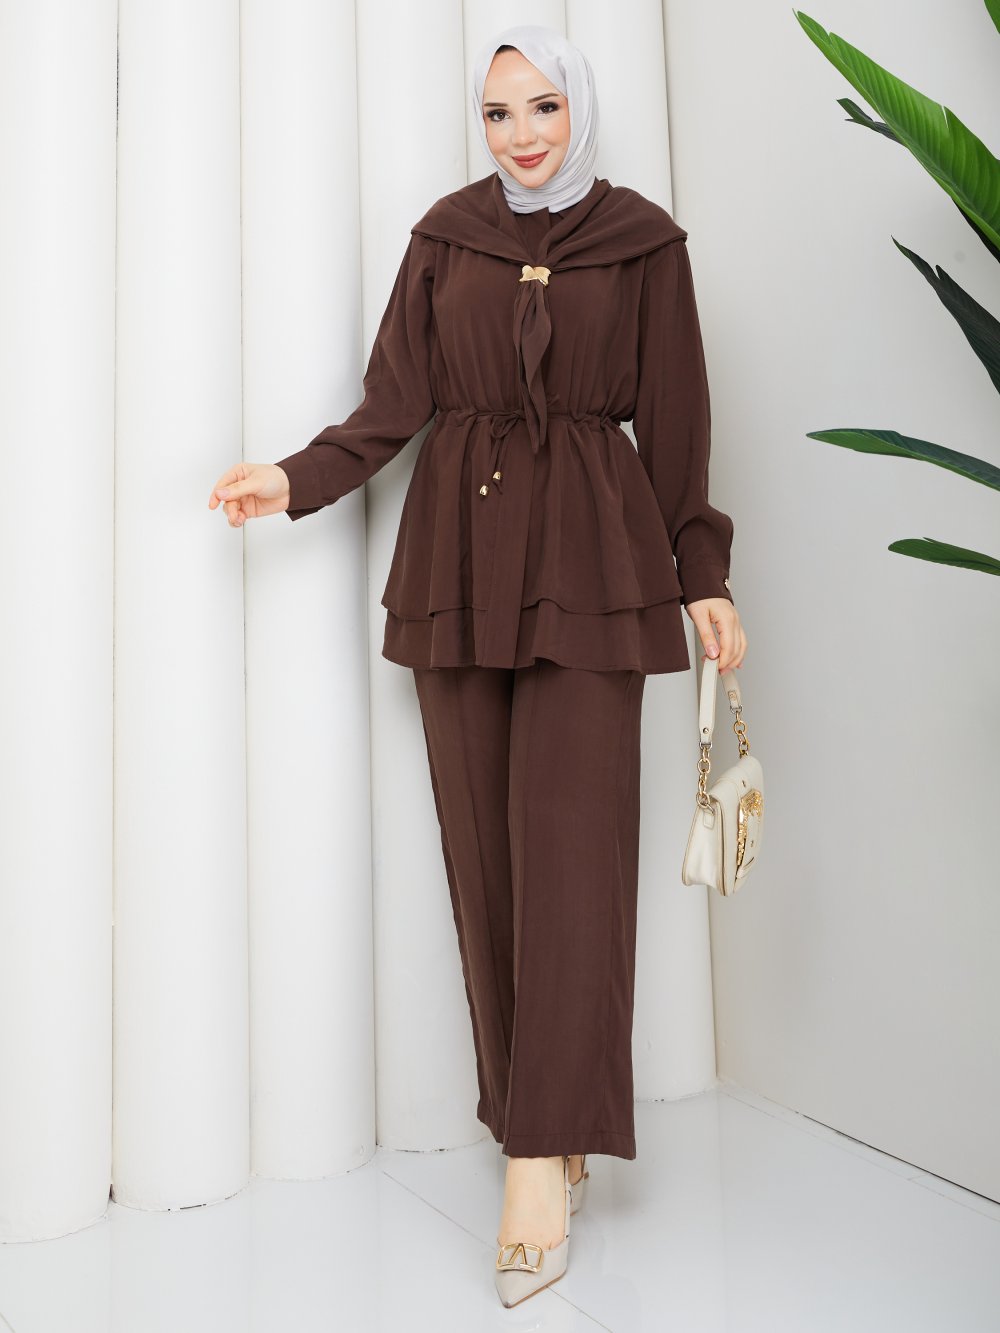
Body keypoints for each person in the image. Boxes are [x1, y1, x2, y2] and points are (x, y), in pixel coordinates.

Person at [208, 23, 747, 1308]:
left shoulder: (643, 242)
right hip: (458, 560)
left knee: (573, 856)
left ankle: (533, 1159)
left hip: (595, 563)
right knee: (485, 858)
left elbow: (678, 422)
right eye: (499, 112)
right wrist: (294, 477)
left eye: (544, 106)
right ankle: (538, 1125)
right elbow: (393, 402)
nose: (521, 134)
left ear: (580, 109)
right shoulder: (446, 237)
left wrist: (705, 573)